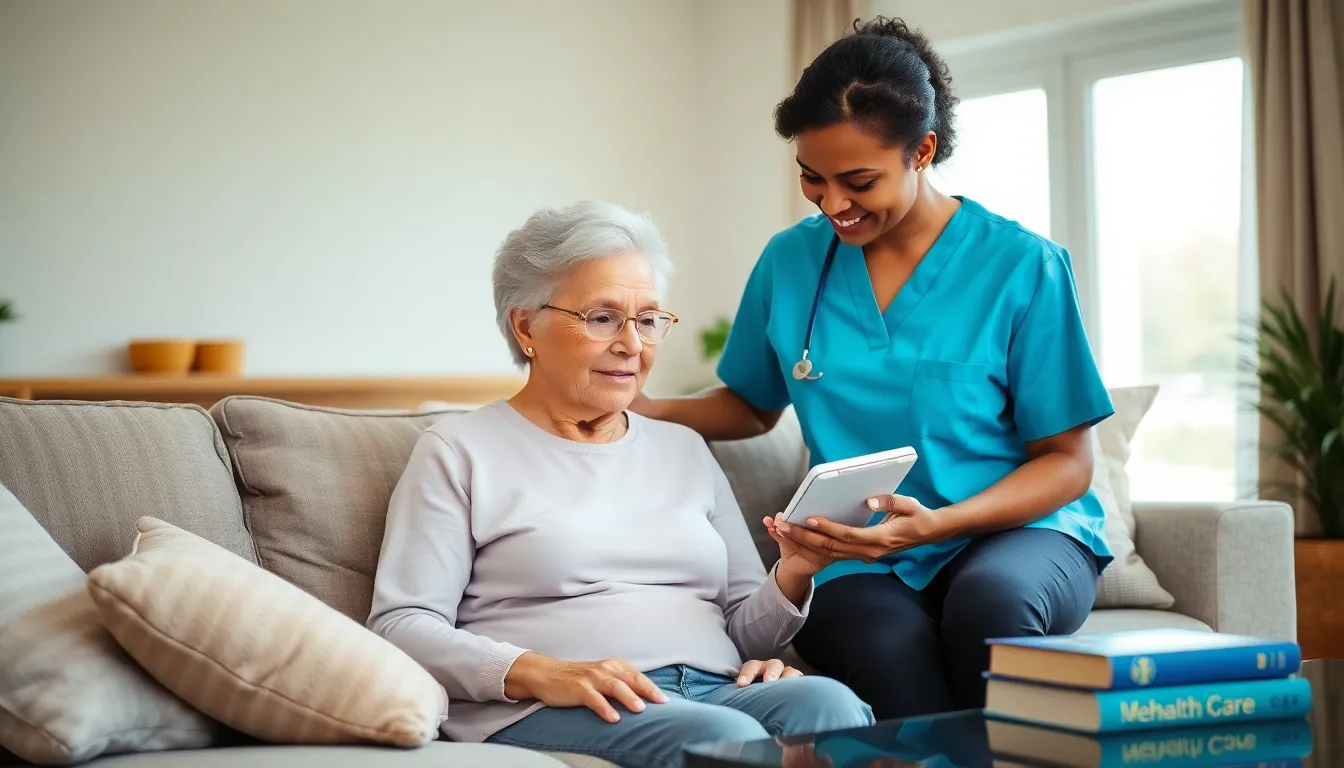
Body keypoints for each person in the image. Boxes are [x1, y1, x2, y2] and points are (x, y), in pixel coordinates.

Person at [631, 17, 1114, 721]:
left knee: (990, 605)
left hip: (1019, 536)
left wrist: (938, 526)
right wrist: (642, 409)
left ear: (922, 150)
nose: (833, 205)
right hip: (859, 550)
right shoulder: (789, 261)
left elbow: (1068, 462)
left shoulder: (1021, 266)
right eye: (812, 179)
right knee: (881, 647)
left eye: (858, 181)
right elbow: (751, 404)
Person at [366, 201, 873, 768]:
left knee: (828, 704)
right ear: (526, 324)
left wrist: (795, 572)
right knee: (718, 734)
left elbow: (745, 630)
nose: (633, 344)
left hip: (713, 688)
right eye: (602, 317)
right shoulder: (459, 450)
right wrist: (540, 671)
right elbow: (402, 624)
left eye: (649, 319)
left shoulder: (683, 447)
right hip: (556, 704)